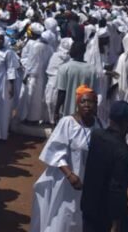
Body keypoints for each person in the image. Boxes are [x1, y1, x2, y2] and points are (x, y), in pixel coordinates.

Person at [31, 85, 99, 232]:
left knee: (80, 217)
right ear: (77, 104)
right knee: (63, 216)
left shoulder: (99, 126)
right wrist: (69, 175)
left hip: (88, 182)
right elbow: (55, 151)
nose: (87, 105)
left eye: (91, 102)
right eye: (83, 102)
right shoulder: (67, 123)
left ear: (96, 104)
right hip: (64, 180)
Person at [80, 101, 128, 232]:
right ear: (125, 123)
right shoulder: (124, 153)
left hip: (89, 204)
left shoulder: (96, 135)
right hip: (106, 214)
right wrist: (116, 221)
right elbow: (117, 189)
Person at [55, 41, 102, 122]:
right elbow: (94, 95)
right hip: (86, 116)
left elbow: (61, 93)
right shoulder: (92, 70)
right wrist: (95, 112)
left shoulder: (64, 68)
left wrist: (56, 111)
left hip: (68, 115)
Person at [0, 30, 19, 140]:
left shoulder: (8, 52)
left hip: (3, 84)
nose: (1, 40)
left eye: (2, 38)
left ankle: (2, 134)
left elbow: (11, 69)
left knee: (3, 109)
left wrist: (11, 86)